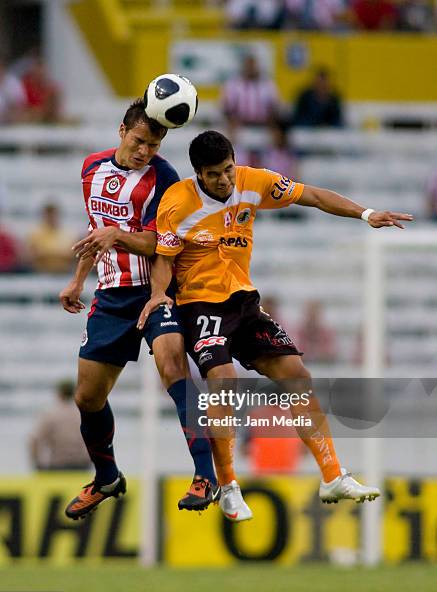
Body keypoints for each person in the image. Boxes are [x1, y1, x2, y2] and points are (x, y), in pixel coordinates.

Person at [138, 130, 413, 518]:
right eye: (214, 174)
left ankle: (332, 475)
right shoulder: (177, 203)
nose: (224, 180)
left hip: (244, 302)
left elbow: (313, 196)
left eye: (228, 169)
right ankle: (229, 484)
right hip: (199, 305)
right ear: (198, 173)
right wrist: (158, 294)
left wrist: (366, 214)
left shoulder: (254, 181)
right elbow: (164, 258)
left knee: (295, 373)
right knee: (223, 378)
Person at [60, 100, 221, 521]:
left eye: (153, 144)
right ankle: (107, 477)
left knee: (172, 366)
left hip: (157, 290)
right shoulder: (91, 169)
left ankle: (206, 474)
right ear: (121, 131)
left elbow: (161, 243)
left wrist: (118, 235)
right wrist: (79, 278)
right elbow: (97, 231)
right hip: (112, 295)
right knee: (87, 396)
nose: (145, 151)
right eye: (139, 141)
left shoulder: (165, 178)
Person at [29, 380, 91, 471]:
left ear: (59, 394)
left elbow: (35, 440)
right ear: (75, 393)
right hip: (82, 466)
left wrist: (38, 464)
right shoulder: (84, 414)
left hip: (57, 466)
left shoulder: (51, 414)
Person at [221, 54, 281, 132]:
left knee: (278, 129)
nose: (251, 69)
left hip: (264, 123)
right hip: (239, 124)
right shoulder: (233, 84)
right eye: (248, 66)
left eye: (253, 66)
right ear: (243, 67)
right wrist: (231, 119)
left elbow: (275, 105)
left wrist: (272, 120)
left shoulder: (268, 84)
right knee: (229, 128)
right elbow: (226, 107)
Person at [28, 202, 76, 273]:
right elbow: (34, 256)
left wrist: (47, 254)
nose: (51, 217)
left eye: (54, 215)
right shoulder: (35, 234)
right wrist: (60, 254)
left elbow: (72, 255)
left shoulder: (68, 234)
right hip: (40, 272)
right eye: (49, 215)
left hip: (64, 272)